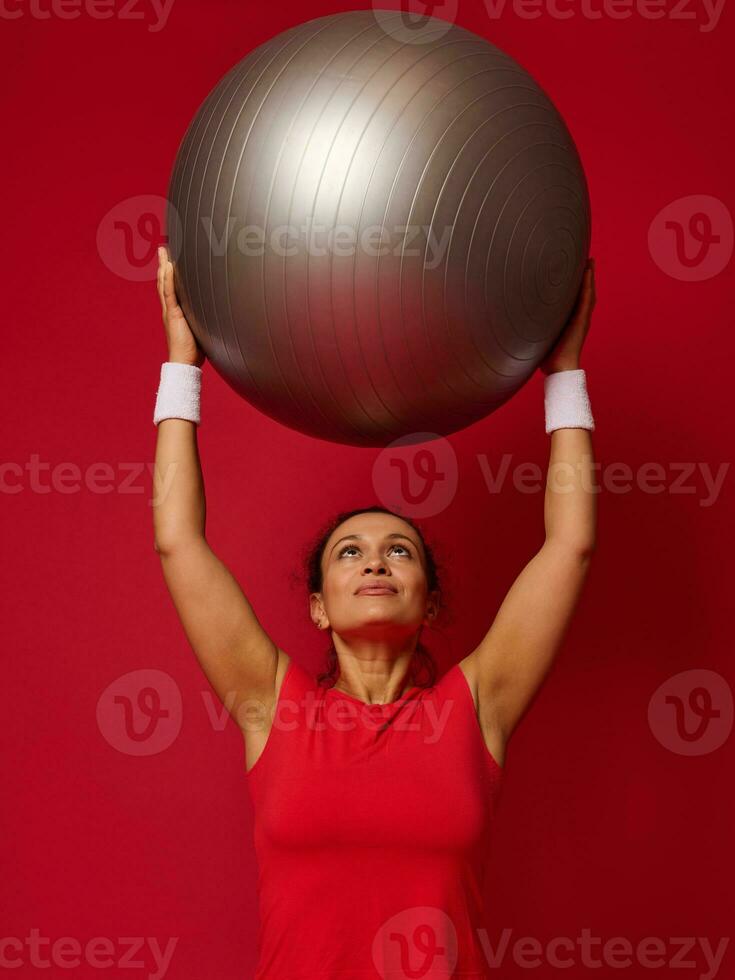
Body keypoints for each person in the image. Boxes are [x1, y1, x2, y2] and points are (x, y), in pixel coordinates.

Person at [151, 246, 598, 978]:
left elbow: (570, 546)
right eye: (350, 553)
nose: (375, 562)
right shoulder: (272, 705)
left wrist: (564, 374)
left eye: (399, 551)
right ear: (319, 608)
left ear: (429, 599)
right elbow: (177, 542)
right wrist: (182, 368)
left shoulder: (475, 708)